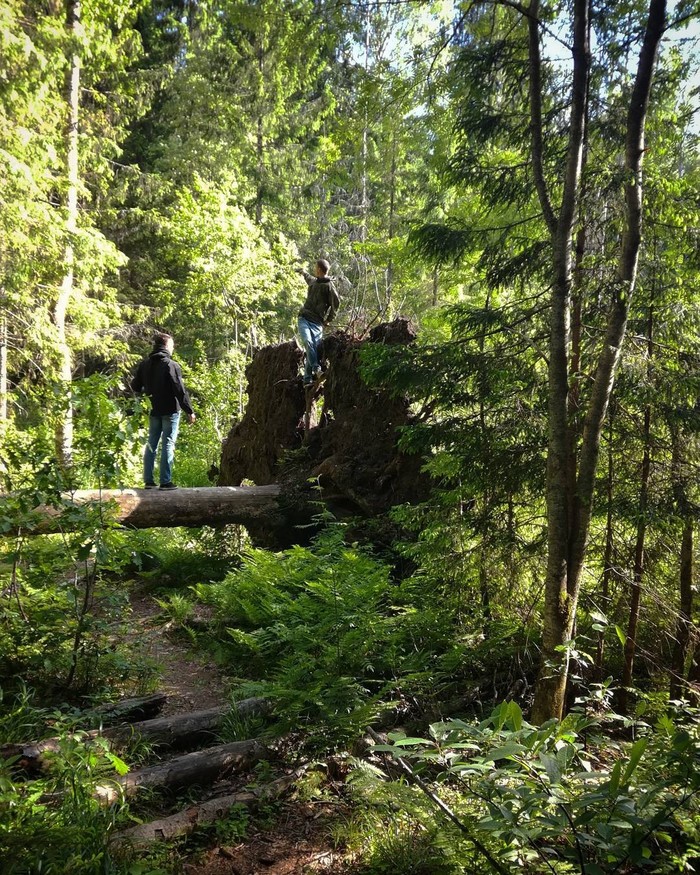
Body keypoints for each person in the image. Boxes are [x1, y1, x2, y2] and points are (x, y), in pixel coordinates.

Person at [131, 332, 196, 489]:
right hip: (170, 410)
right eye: (172, 345)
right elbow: (179, 390)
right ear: (166, 346)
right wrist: (189, 410)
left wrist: (147, 391)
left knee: (152, 442)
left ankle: (148, 481)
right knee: (168, 443)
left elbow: (135, 386)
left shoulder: (145, 364)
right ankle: (165, 482)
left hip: (153, 410)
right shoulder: (170, 365)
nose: (173, 348)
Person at [296, 259, 340, 388]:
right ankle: (316, 369)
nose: (314, 270)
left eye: (316, 268)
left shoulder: (329, 287)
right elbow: (308, 278)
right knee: (308, 342)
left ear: (320, 270)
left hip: (317, 322)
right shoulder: (314, 282)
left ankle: (307, 380)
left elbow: (335, 304)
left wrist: (328, 319)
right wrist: (303, 272)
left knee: (313, 348)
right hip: (304, 317)